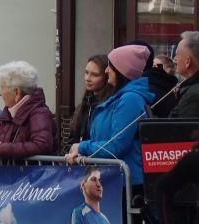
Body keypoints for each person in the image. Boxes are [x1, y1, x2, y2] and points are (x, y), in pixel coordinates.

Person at [66, 44, 154, 189]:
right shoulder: (118, 98)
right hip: (112, 178)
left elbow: (116, 146)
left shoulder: (130, 99)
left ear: (121, 71)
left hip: (126, 183)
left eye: (110, 67)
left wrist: (82, 147)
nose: (107, 70)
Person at [0, 61, 56, 160]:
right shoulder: (8, 113)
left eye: (2, 87)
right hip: (11, 170)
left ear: (16, 92)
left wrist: (2, 149)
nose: (0, 93)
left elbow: (42, 145)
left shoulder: (40, 113)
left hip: (31, 170)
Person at [67, 55, 113, 148]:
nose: (88, 78)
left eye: (95, 75)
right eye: (86, 72)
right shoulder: (84, 106)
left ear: (106, 77)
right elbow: (72, 139)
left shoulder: (110, 106)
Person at [171, 31, 199, 119]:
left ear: (188, 61)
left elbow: (180, 127)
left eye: (177, 55)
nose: (174, 59)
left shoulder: (193, 96)